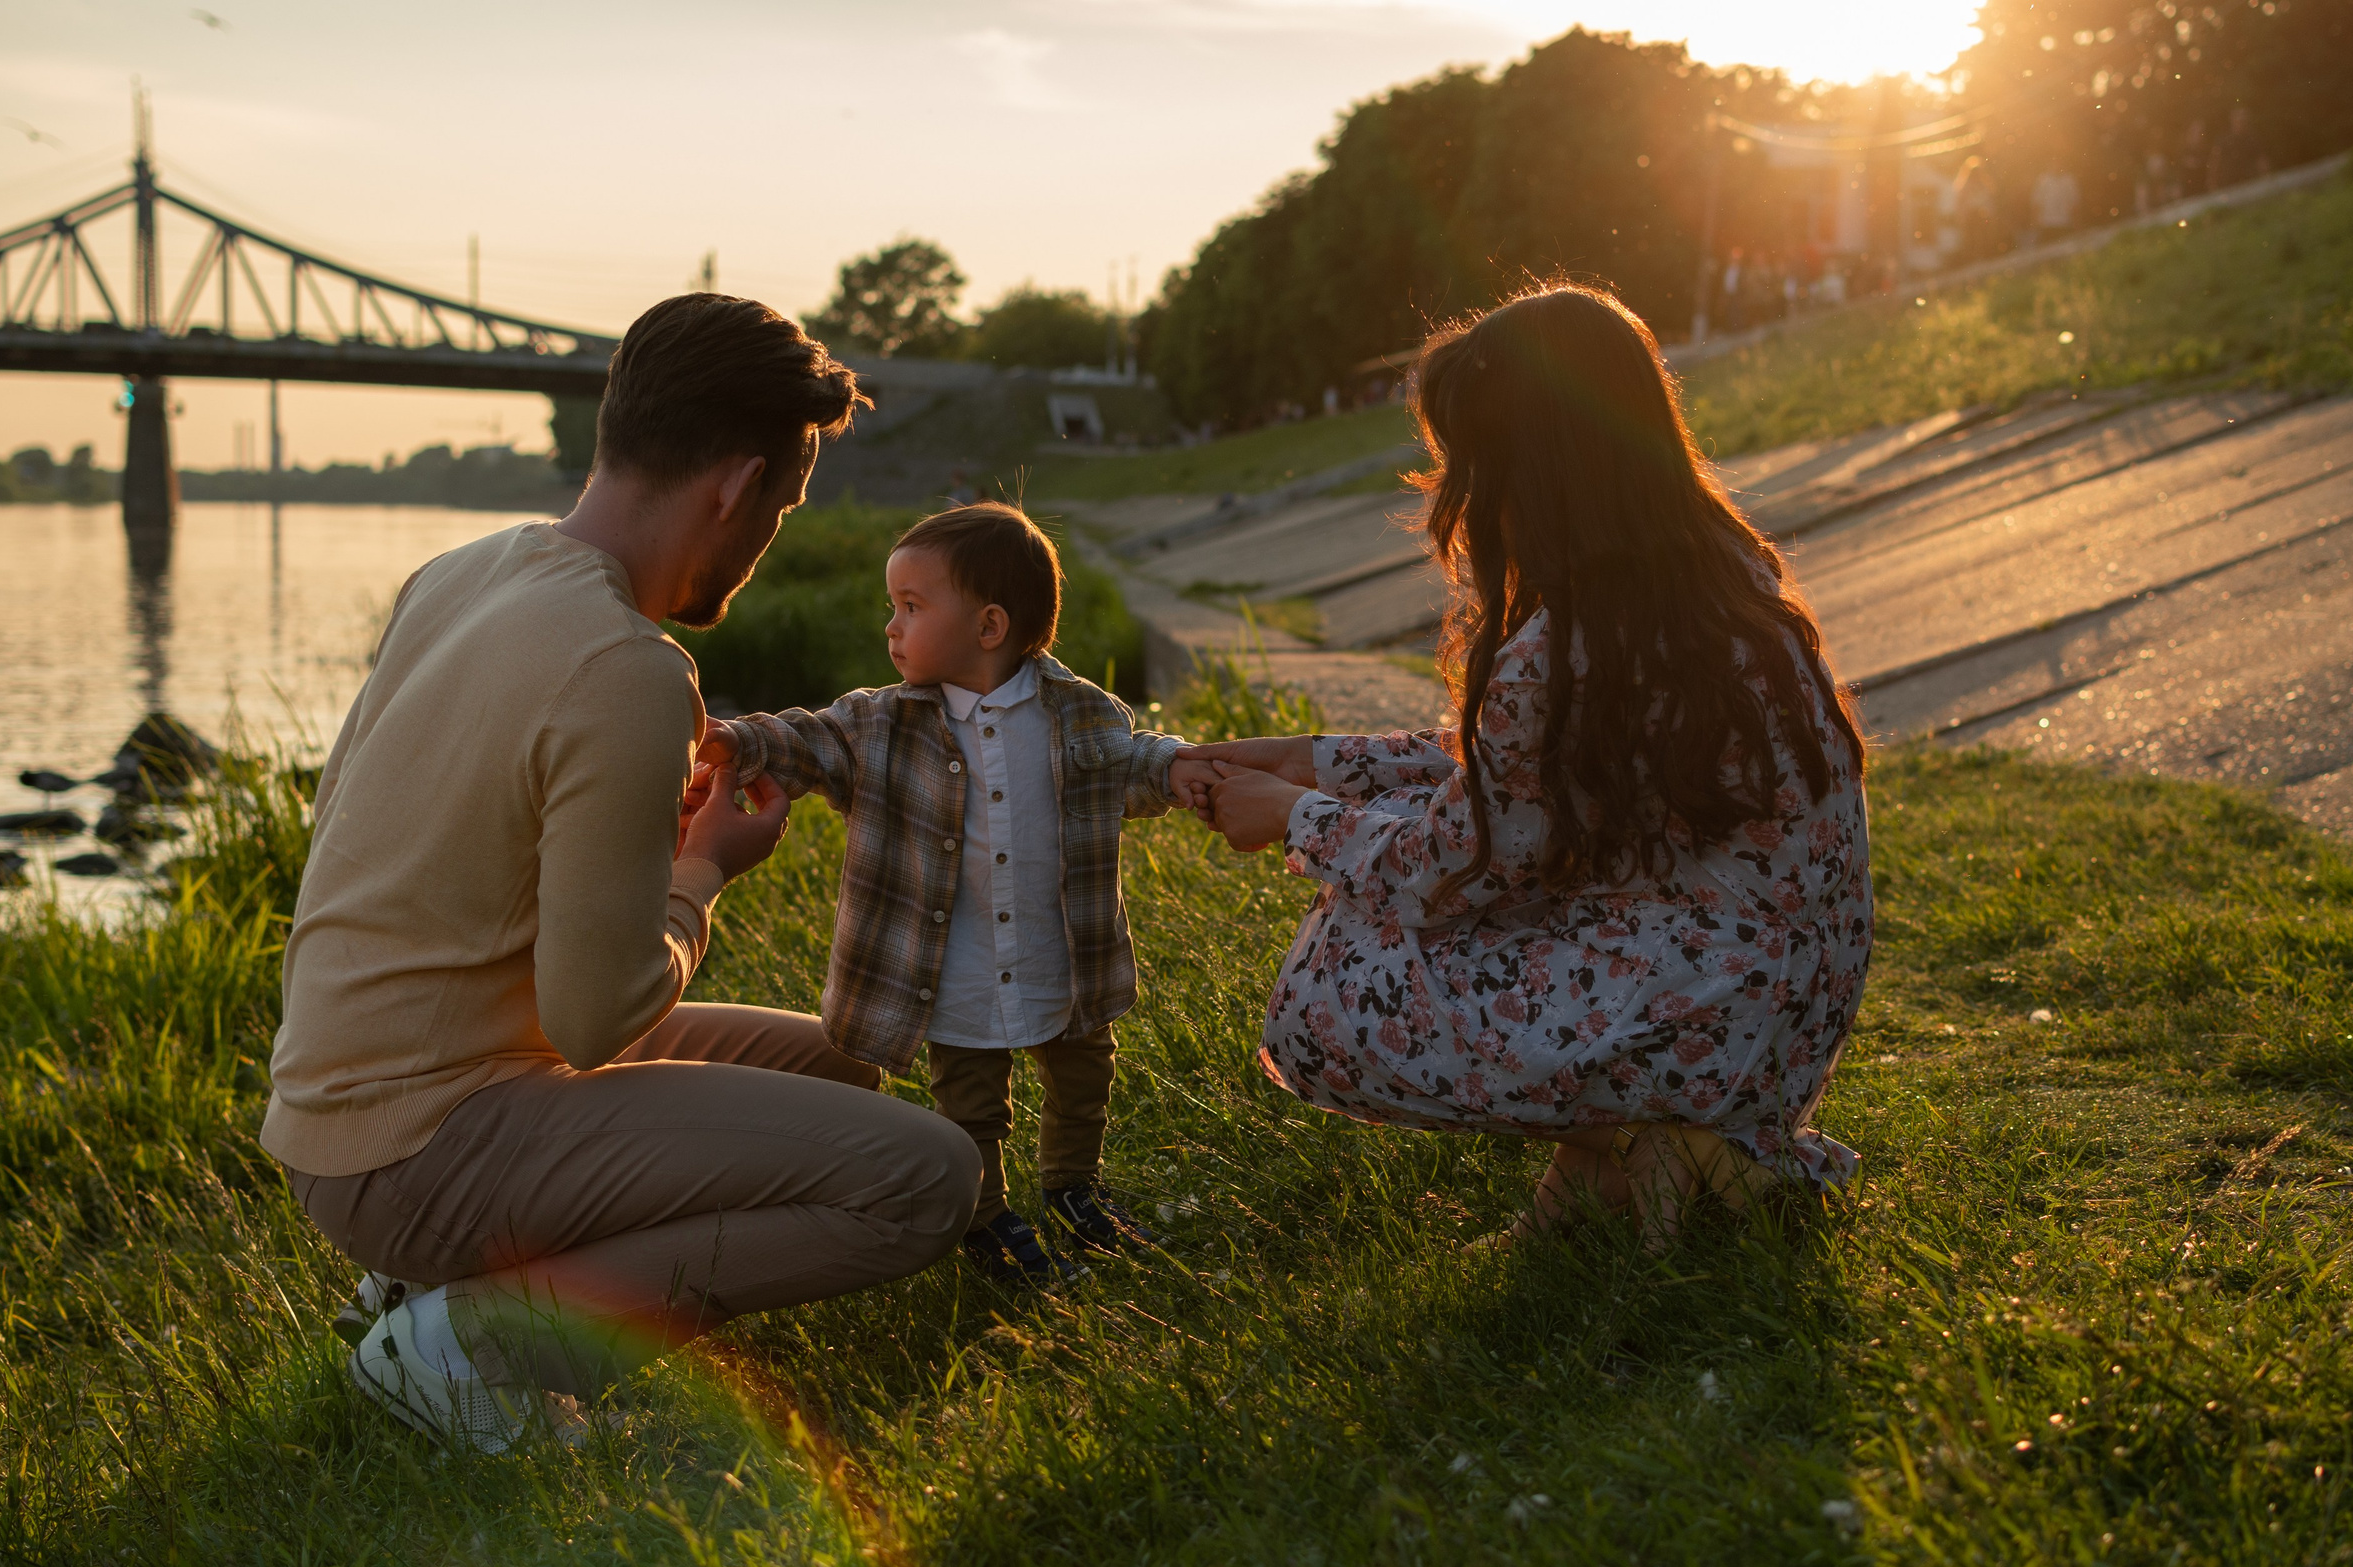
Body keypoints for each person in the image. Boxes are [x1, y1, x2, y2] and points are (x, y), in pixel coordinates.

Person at [267, 294, 981, 1452]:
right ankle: (473, 1344)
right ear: (737, 486)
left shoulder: (461, 573)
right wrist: (703, 871)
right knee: (924, 1179)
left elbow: (373, 821)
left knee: (844, 1062)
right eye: (785, 508)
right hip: (415, 1152)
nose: (767, 542)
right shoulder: (627, 667)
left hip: (337, 1106)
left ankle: (417, 1288)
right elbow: (595, 1021)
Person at [1191, 285, 1872, 1250]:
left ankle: (1682, 1148)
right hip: (1792, 1002)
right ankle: (1607, 1185)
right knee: (1472, 886)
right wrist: (1313, 760)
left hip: (1711, 1020)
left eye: (1464, 462)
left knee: (1338, 969)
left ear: (1521, 468)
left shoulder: (1561, 650)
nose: (1456, 492)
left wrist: (1292, 816)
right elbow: (1521, 778)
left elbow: (1444, 868)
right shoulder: (1722, 566)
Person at [700, 504, 1212, 1284]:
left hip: (1062, 953)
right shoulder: (879, 723)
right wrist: (738, 740)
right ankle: (986, 1216)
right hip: (953, 966)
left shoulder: (1080, 712)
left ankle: (1074, 1187)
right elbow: (806, 739)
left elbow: (1128, 764)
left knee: (1083, 1079)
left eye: (912, 606)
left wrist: (1179, 770)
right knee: (972, 1103)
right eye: (892, 606)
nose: (891, 626)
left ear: (989, 625)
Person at [2211, 106, 2270, 189]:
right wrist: (2213, 182)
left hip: (2249, 181)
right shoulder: (2224, 141)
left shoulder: (2252, 139)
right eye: (2238, 119)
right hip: (2229, 184)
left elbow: (2261, 160)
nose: (2241, 122)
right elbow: (2215, 162)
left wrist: (2266, 176)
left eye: (2243, 119)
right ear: (2232, 120)